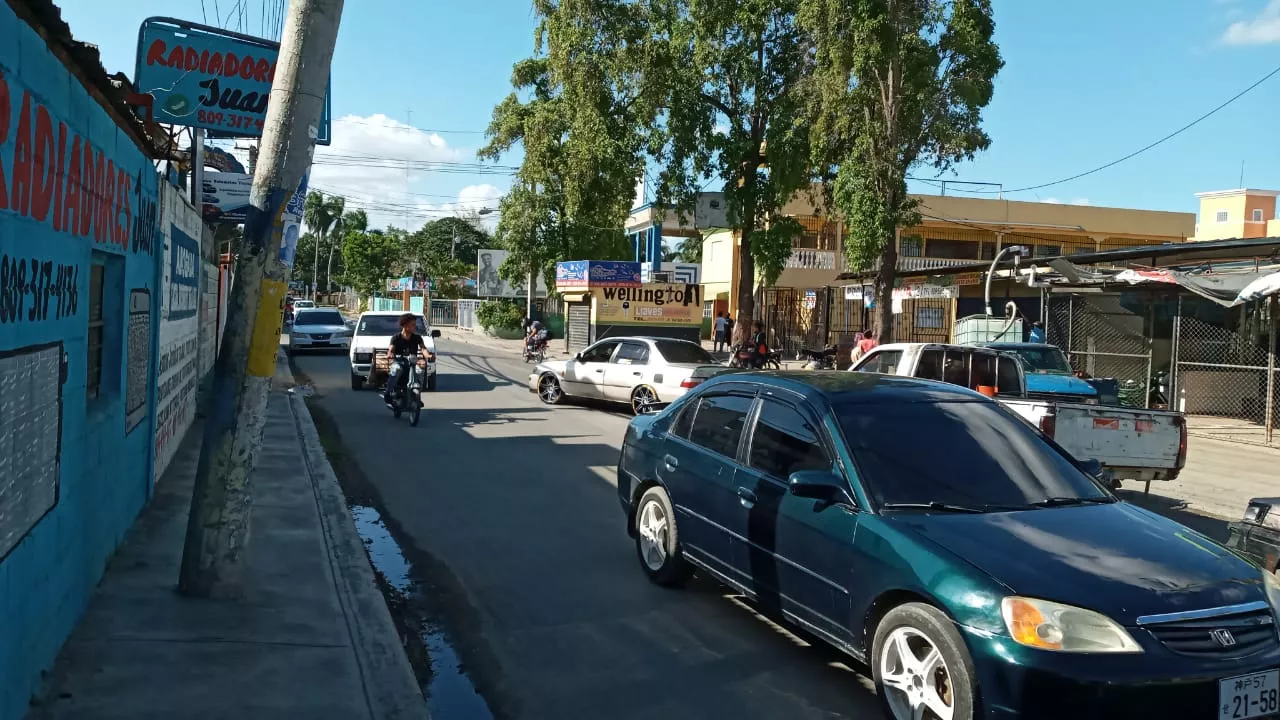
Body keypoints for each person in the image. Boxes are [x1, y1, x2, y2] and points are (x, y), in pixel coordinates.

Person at [383, 313, 426, 405]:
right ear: (405, 326)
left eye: (415, 324)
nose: (415, 326)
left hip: (412, 364)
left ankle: (417, 396)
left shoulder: (417, 338)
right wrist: (390, 353)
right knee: (396, 369)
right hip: (399, 362)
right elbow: (391, 348)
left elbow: (423, 348)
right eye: (412, 324)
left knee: (419, 371)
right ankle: (388, 392)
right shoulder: (396, 338)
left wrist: (428, 355)